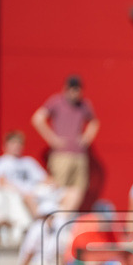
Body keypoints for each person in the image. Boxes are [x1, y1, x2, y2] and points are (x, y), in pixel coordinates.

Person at [31, 74, 99, 210]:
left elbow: (94, 122)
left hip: (79, 155)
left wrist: (86, 138)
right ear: (65, 89)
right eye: (71, 89)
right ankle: (56, 221)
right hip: (61, 156)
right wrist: (52, 139)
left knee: (78, 189)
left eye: (77, 90)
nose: (74, 93)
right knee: (58, 189)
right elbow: (37, 118)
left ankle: (65, 220)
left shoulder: (84, 105)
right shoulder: (56, 102)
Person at [0, 130, 49, 245]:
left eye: (19, 143)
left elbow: (45, 179)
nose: (16, 146)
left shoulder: (28, 162)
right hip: (15, 195)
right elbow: (0, 182)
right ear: (5, 146)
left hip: (33, 194)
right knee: (29, 198)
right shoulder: (2, 162)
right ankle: (43, 226)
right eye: (13, 143)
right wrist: (22, 192)